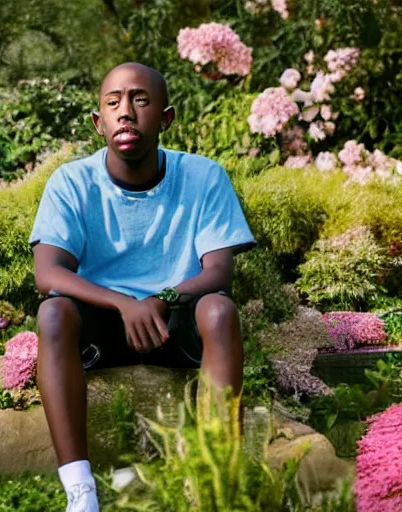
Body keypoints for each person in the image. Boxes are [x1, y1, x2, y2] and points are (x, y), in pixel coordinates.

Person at [29, 62, 257, 512]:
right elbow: (48, 273)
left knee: (220, 310)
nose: (125, 113)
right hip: (105, 329)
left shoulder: (203, 176)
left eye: (140, 100)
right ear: (99, 123)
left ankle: (214, 477)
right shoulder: (71, 182)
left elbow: (218, 273)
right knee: (53, 313)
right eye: (112, 103)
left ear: (166, 119)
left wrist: (160, 299)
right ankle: (82, 492)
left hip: (175, 325)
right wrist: (124, 304)